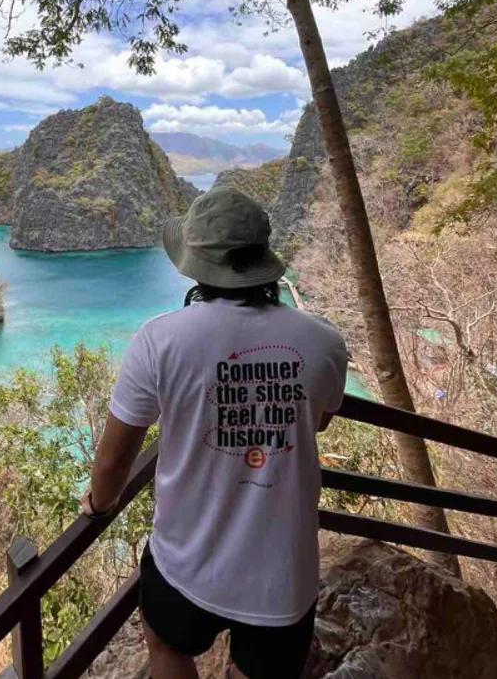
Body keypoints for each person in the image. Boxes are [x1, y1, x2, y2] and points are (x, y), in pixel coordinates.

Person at [80, 187, 348, 679]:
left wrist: (99, 504)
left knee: (166, 646)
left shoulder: (159, 340)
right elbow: (320, 419)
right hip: (283, 574)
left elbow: (114, 460)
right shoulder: (324, 342)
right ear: (264, 261)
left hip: (185, 562)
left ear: (195, 266)